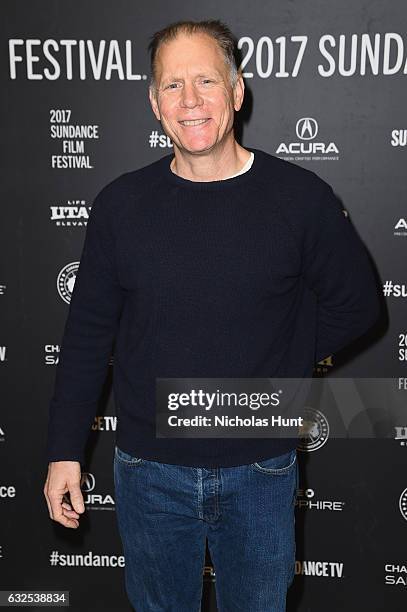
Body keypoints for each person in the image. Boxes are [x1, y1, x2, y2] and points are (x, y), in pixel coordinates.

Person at [43, 19, 380, 611]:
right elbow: (87, 337)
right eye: (172, 86)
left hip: (260, 470)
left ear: (237, 91)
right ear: (154, 103)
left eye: (206, 81)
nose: (190, 101)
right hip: (148, 473)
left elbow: (359, 306)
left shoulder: (301, 199)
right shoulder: (121, 206)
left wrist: (281, 359)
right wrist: (64, 452)